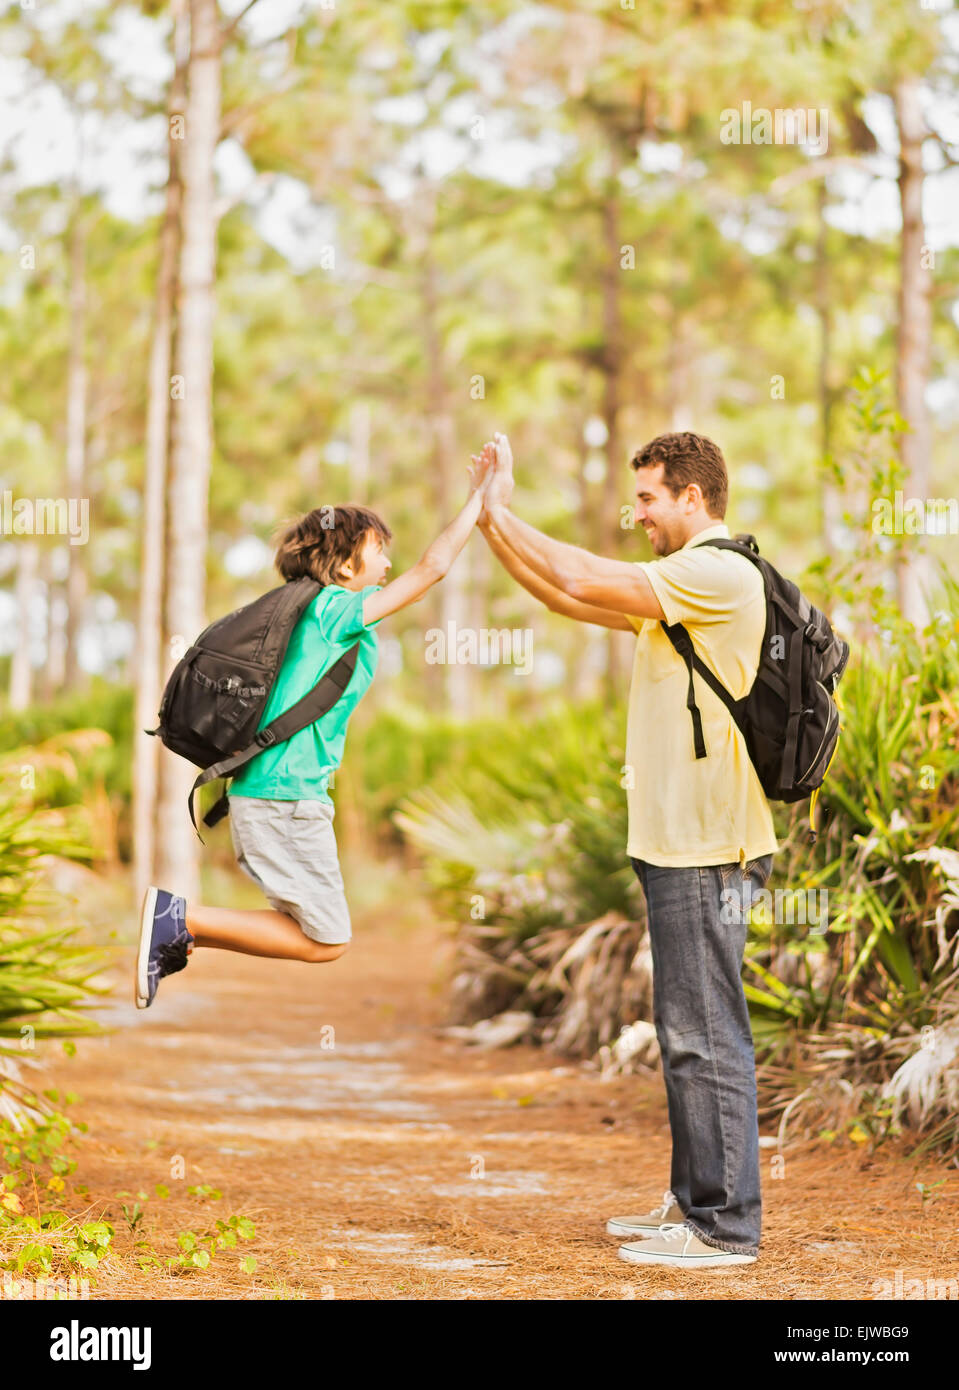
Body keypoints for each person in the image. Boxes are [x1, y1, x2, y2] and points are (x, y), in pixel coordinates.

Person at [475, 429, 777, 1269]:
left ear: (692, 497)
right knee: (685, 1027)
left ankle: (724, 1229)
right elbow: (562, 600)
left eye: (647, 497)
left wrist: (500, 507)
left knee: (704, 1032)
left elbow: (575, 572)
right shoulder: (679, 590)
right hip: (675, 839)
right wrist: (489, 524)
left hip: (708, 841)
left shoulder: (716, 574)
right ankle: (693, 1204)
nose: (633, 511)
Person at [135, 452, 494, 1010]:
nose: (390, 563)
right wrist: (479, 501)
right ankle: (178, 921)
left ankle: (179, 931)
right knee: (327, 938)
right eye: (380, 551)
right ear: (346, 565)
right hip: (286, 801)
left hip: (276, 798)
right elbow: (433, 571)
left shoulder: (312, 615)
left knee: (318, 933)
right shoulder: (333, 611)